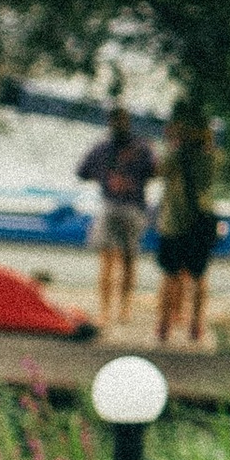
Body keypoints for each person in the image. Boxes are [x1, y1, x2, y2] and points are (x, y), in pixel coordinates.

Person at [75, 103, 156, 327]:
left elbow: (82, 172)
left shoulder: (103, 148)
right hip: (131, 207)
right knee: (125, 261)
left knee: (112, 261)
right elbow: (155, 172)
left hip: (118, 206)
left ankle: (110, 310)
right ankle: (121, 309)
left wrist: (104, 177)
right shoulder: (142, 147)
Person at [153, 99, 223, 348]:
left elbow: (158, 169)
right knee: (198, 276)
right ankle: (195, 324)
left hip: (174, 222)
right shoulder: (211, 156)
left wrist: (174, 142)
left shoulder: (177, 155)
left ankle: (164, 325)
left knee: (170, 275)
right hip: (201, 221)